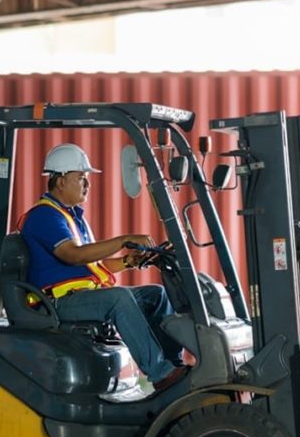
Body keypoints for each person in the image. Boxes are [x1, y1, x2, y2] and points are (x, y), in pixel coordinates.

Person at [17, 142, 188, 393]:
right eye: (81, 177)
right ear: (61, 181)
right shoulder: (44, 216)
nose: (87, 184)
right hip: (58, 302)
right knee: (118, 298)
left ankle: (173, 363)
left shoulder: (73, 217)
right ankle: (160, 374)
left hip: (83, 294)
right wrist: (122, 240)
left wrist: (130, 261)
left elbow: (92, 264)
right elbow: (73, 256)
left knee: (156, 295)